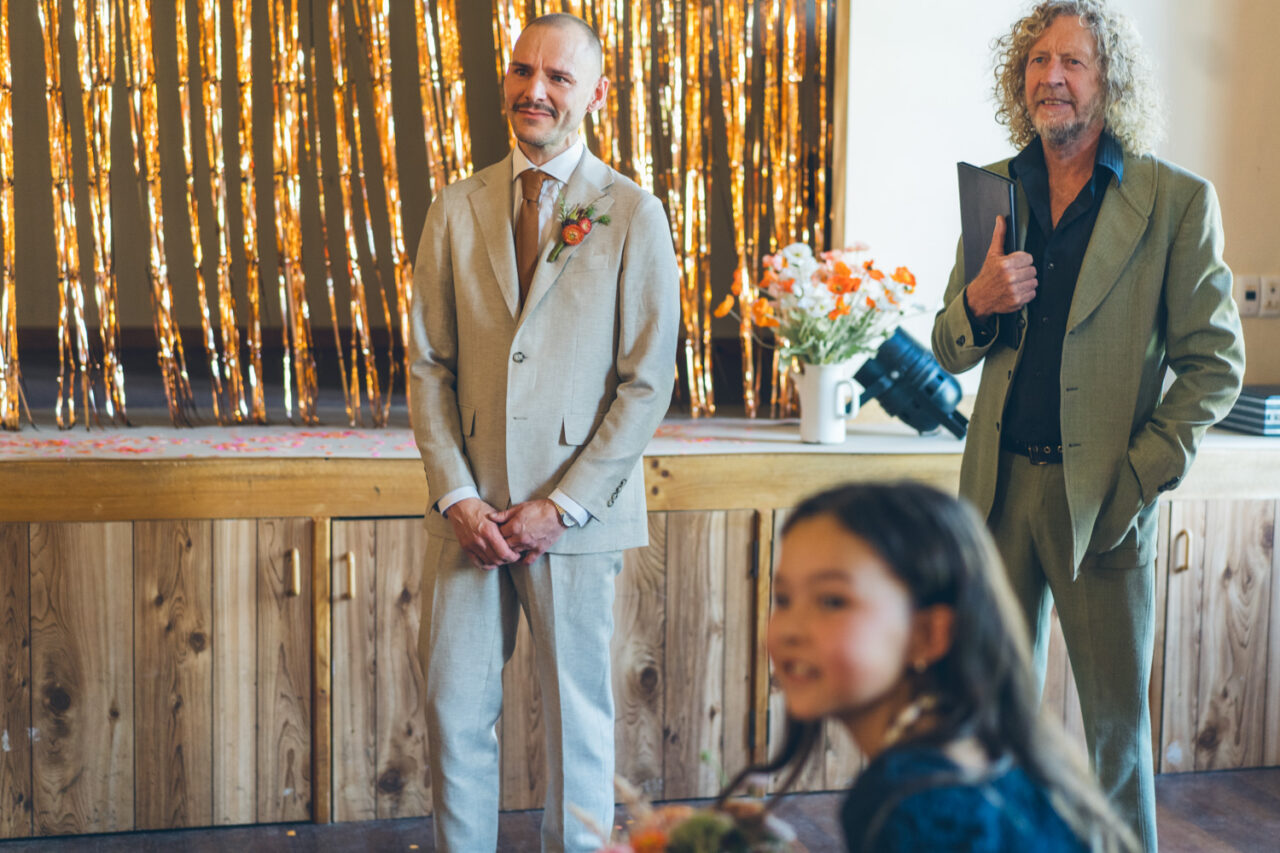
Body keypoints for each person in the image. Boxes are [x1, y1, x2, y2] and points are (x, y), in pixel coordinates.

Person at [930, 2, 1245, 850]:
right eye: (1038, 60)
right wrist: (977, 301)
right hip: (997, 495)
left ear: (1110, 79)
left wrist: (1141, 476)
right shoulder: (994, 188)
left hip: (1106, 502)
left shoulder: (1175, 200)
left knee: (1115, 737)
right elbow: (949, 347)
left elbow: (1216, 364)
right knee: (990, 721)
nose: (1052, 77)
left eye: (1072, 61)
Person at [408, 12, 680, 852]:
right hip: (470, 516)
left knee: (576, 723)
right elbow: (429, 365)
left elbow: (647, 382)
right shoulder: (455, 206)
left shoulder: (632, 213)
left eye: (559, 77)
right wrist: (457, 495)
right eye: (523, 71)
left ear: (596, 93)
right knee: (454, 714)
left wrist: (561, 506)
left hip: (575, 517)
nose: (536, 90)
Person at [723, 481, 1136, 852]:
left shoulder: (908, 803)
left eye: (832, 601)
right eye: (783, 599)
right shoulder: (1001, 753)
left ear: (928, 635)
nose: (790, 630)